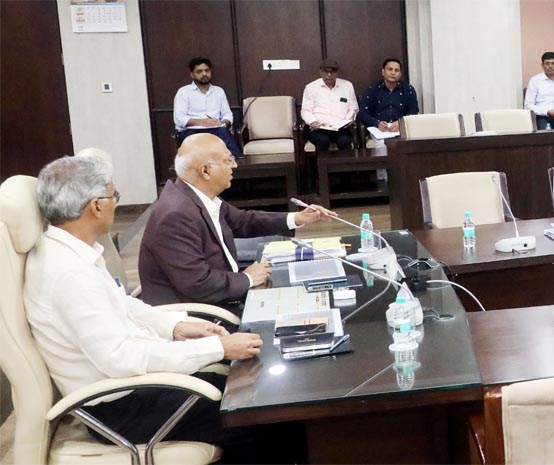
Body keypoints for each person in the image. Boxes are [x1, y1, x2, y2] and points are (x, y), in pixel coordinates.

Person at [24, 156, 263, 450]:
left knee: (248, 387)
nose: (116, 203)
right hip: (122, 408)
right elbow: (121, 358)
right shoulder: (69, 274)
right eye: (114, 196)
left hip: (135, 388)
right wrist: (217, 348)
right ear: (96, 206)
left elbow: (121, 304)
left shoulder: (69, 252)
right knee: (256, 415)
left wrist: (176, 326)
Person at [138, 133, 335, 308]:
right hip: (198, 316)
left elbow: (242, 221)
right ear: (205, 171)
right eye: (228, 160)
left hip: (223, 292)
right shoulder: (175, 216)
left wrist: (298, 218)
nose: (235, 165)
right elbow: (198, 284)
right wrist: (247, 278)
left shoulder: (195, 196)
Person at [173, 57, 243, 158]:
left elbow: (227, 113)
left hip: (217, 130)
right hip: (192, 131)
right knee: (200, 158)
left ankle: (236, 163)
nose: (204, 74)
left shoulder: (219, 91)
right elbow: (179, 118)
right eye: (199, 71)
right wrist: (202, 122)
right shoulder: (183, 92)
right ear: (192, 74)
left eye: (207, 70)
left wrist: (223, 122)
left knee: (233, 152)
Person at [301, 59, 359, 151]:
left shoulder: (347, 86)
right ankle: (322, 162)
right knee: (323, 141)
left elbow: (353, 108)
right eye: (326, 72)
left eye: (332, 72)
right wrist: (312, 121)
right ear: (320, 72)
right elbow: (305, 111)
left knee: (344, 141)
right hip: (319, 128)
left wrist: (347, 120)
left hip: (341, 128)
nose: (329, 75)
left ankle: (345, 161)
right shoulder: (311, 87)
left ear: (337, 73)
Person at [357, 58, 419, 134]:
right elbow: (362, 114)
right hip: (379, 130)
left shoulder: (408, 90)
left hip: (401, 129)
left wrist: (401, 123)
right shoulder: (372, 90)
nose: (393, 73)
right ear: (383, 72)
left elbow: (414, 111)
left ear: (400, 74)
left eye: (396, 70)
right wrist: (377, 123)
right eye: (390, 69)